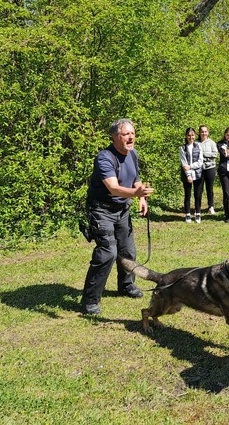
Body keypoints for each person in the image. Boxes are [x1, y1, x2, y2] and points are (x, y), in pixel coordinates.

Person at [80, 118, 154, 316]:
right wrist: (136, 194)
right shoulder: (104, 157)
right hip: (101, 210)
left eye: (133, 133)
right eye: (126, 134)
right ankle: (90, 301)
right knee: (107, 253)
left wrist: (141, 198)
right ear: (115, 137)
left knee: (128, 252)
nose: (131, 137)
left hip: (122, 211)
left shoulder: (133, 154)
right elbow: (113, 188)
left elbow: (136, 179)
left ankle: (126, 286)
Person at [179, 127, 204, 223]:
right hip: (186, 175)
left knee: (198, 194)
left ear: (195, 136)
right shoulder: (182, 148)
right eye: (189, 135)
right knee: (187, 195)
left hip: (198, 174)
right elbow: (183, 162)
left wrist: (191, 166)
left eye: (192, 135)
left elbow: (200, 161)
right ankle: (188, 214)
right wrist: (188, 175)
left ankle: (198, 213)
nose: (191, 137)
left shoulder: (198, 146)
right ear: (186, 136)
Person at [198, 125, 218, 216]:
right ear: (199, 133)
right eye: (202, 131)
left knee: (209, 188)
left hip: (210, 168)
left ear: (208, 132)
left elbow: (215, 154)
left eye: (205, 131)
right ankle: (198, 207)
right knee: (199, 188)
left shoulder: (212, 143)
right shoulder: (196, 143)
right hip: (199, 169)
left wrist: (203, 154)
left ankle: (211, 206)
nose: (204, 133)